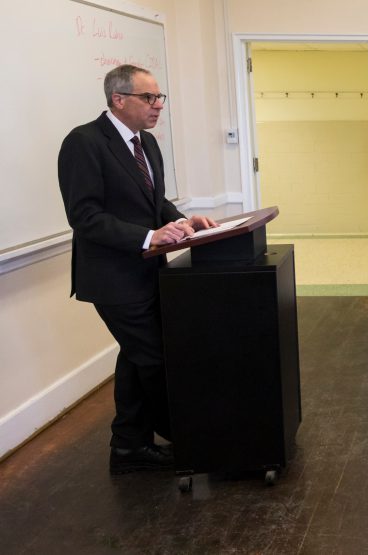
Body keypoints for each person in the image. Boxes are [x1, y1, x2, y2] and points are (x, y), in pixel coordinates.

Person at [57, 64, 218, 474]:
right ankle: (187, 438)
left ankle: (128, 446)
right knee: (152, 356)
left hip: (148, 273)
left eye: (160, 97)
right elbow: (85, 216)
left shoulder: (147, 144)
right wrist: (149, 238)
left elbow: (154, 205)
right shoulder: (84, 143)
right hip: (113, 279)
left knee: (135, 356)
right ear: (118, 99)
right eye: (150, 98)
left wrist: (183, 220)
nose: (158, 106)